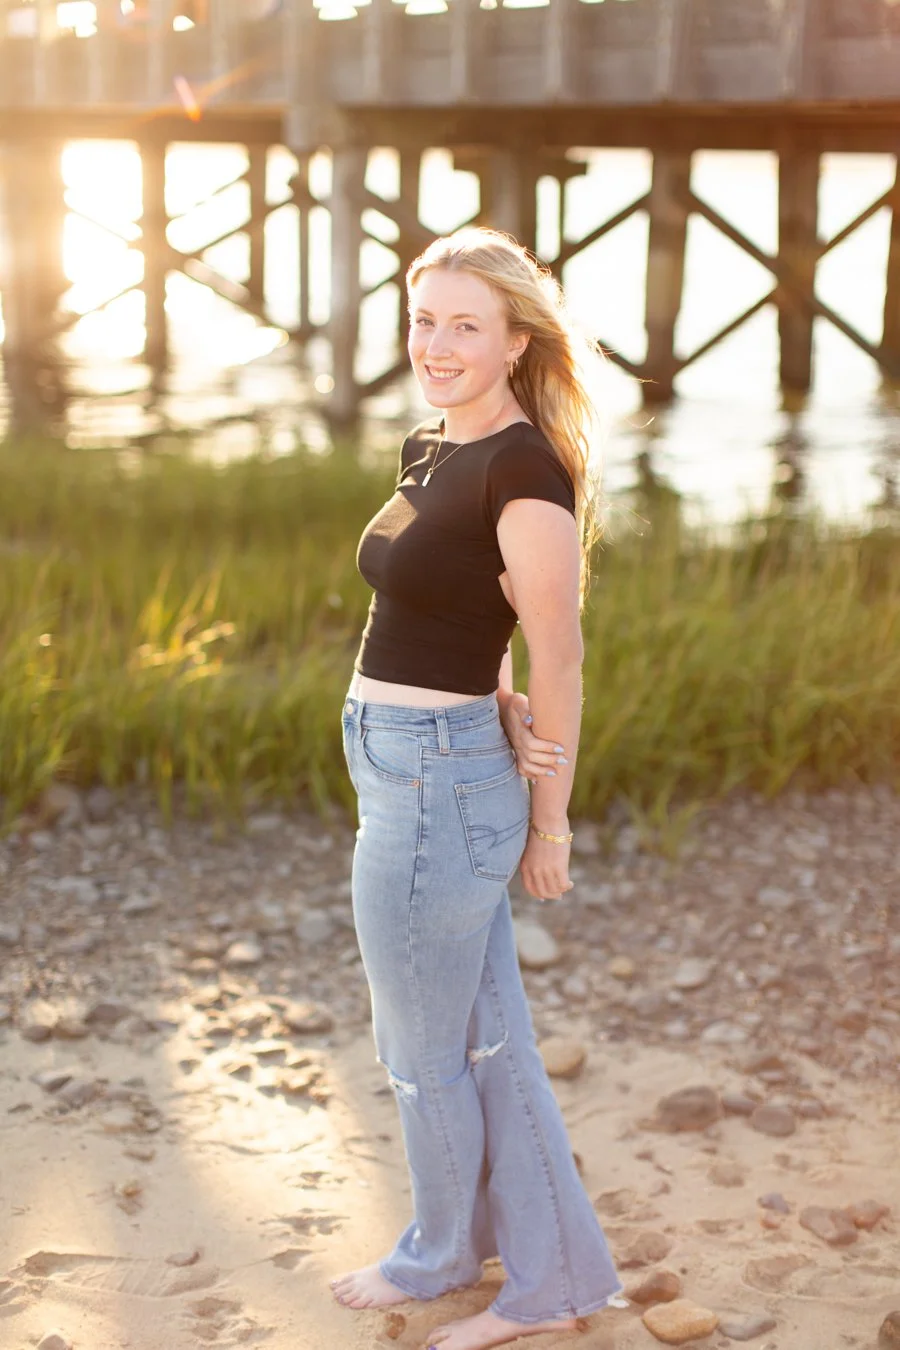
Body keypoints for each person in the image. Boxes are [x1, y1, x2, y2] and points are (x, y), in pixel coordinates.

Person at [332, 226, 623, 1350]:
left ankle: (444, 1254)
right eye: (423, 320)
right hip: (415, 768)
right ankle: (549, 1276)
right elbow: (473, 612)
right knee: (483, 1039)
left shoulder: (523, 466)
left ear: (514, 342)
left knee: (423, 1054)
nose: (437, 345)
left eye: (465, 326)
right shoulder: (431, 447)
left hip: (442, 791)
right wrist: (486, 690)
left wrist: (550, 823)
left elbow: (562, 649)